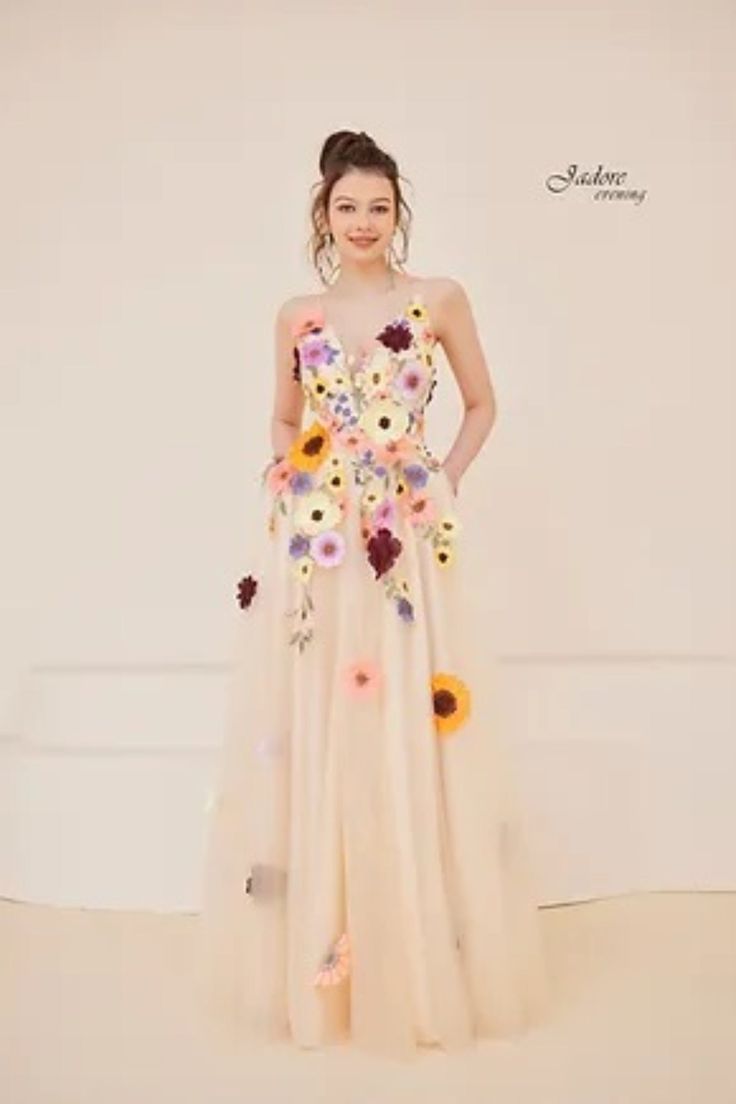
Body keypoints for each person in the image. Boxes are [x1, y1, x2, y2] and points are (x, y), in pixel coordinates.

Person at [197, 129, 551, 1059]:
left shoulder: (437, 300)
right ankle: (327, 959)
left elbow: (482, 402)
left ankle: (425, 952)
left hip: (404, 542)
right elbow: (283, 413)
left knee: (409, 715)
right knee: (325, 720)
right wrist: (289, 473)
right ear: (324, 215)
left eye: (379, 207)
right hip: (323, 547)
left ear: (399, 216)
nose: (363, 222)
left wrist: (444, 477)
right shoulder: (296, 315)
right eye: (347, 207)